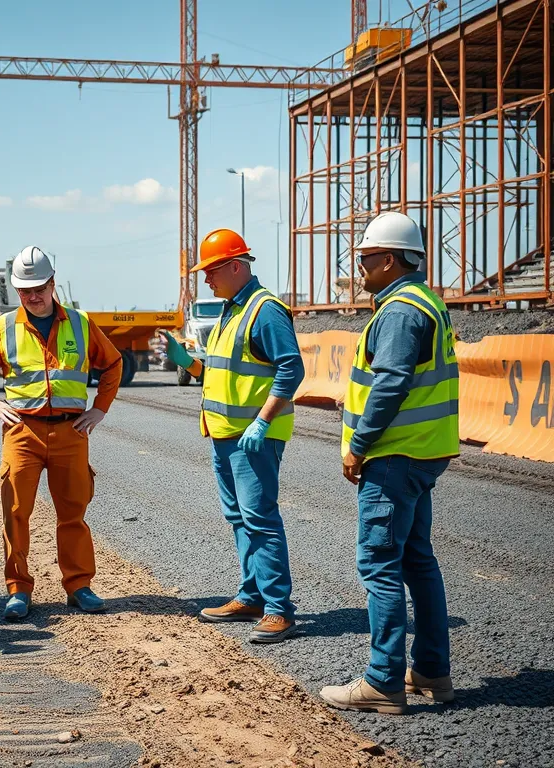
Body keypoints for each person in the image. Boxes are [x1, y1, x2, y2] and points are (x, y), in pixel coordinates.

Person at [320, 211, 458, 715]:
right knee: (418, 559)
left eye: (366, 257)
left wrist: (359, 441)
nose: (360, 265)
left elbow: (393, 380)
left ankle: (383, 681)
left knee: (380, 564)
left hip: (394, 455)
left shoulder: (399, 311)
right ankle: (430, 670)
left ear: (391, 259)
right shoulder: (425, 302)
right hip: (423, 453)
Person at [0, 246, 122, 621]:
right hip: (23, 433)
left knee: (73, 513)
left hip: (70, 433)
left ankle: (79, 586)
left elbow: (113, 363)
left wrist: (100, 408)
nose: (33, 297)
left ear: (53, 284)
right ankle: (18, 590)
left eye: (39, 288)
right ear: (17, 291)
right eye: (24, 291)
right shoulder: (3, 328)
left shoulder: (81, 324)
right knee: (15, 512)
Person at [161, 228, 304, 644]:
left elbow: (290, 369)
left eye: (211, 271)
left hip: (253, 436)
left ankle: (279, 610)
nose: (205, 279)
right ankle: (252, 596)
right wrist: (186, 362)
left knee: (260, 519)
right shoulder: (230, 309)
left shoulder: (265, 310)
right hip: (225, 435)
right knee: (240, 518)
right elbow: (220, 372)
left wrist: (262, 421)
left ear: (236, 266)